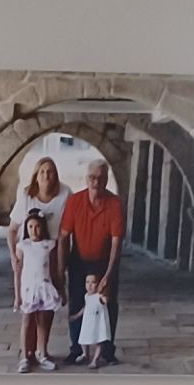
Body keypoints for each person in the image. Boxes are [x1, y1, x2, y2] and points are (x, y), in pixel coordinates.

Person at [59, 157, 124, 366]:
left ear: (106, 180)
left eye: (100, 178)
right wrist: (60, 269)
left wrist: (108, 274)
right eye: (92, 177)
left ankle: (106, 350)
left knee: (108, 304)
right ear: (86, 179)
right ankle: (77, 349)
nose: (96, 182)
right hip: (79, 260)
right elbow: (63, 236)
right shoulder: (75, 201)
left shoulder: (115, 204)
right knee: (77, 302)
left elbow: (116, 243)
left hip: (104, 260)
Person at [7, 152, 69, 312]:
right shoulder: (27, 195)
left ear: (56, 176)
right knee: (27, 314)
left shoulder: (65, 194)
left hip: (52, 252)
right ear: (36, 176)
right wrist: (13, 255)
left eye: (50, 172)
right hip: (28, 253)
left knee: (49, 307)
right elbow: (13, 229)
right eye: (42, 172)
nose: (46, 176)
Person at [14, 211, 63, 373]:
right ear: (26, 228)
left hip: (45, 288)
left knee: (43, 323)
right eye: (30, 227)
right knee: (27, 322)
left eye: (37, 227)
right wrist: (17, 296)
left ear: (43, 228)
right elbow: (18, 272)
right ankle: (24, 356)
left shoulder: (49, 245)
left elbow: (54, 270)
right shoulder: (23, 246)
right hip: (28, 290)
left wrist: (60, 288)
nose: (34, 231)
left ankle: (41, 353)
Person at [79, 269, 114, 367]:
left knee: (99, 340)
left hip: (98, 323)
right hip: (88, 322)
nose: (89, 285)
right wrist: (77, 315)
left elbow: (105, 300)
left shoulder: (99, 296)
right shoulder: (87, 296)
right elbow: (86, 307)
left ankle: (95, 359)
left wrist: (103, 290)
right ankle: (85, 354)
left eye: (93, 282)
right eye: (87, 282)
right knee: (83, 338)